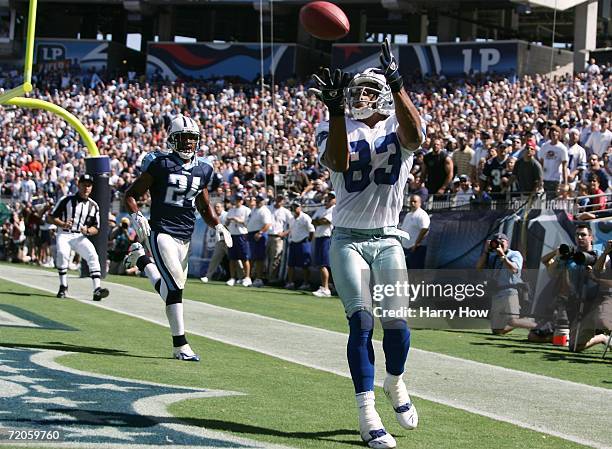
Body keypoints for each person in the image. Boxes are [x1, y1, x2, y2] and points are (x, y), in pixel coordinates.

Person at [313, 38, 422, 448]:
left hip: (389, 238)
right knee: (361, 321)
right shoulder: (333, 122)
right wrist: (336, 109)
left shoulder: (400, 121)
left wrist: (396, 83)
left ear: (385, 97)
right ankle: (367, 411)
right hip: (348, 240)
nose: (358, 95)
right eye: (354, 90)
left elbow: (416, 139)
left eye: (366, 91)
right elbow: (338, 162)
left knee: (396, 323)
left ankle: (394, 382)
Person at [124, 114, 232, 362]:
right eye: (183, 138)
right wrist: (137, 215)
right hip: (160, 231)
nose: (188, 144)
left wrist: (218, 225)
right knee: (174, 288)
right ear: (172, 139)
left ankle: (142, 261)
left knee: (172, 289)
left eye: (192, 139)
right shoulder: (159, 163)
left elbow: (204, 206)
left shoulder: (204, 168)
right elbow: (131, 194)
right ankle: (180, 345)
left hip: (185, 234)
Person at [541, 226, 607, 352]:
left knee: (602, 322)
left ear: (591, 237)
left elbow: (604, 272)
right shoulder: (570, 256)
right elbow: (551, 272)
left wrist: (594, 271)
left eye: (583, 235)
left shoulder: (599, 254)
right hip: (575, 304)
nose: (579, 238)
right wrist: (558, 254)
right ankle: (602, 338)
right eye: (577, 235)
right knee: (574, 346)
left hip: (595, 303)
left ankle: (602, 332)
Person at [48, 174, 109, 301]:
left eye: (89, 185)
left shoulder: (93, 206)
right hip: (64, 233)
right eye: (84, 185)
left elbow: (96, 228)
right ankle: (63, 285)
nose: (86, 188)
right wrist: (63, 224)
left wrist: (87, 230)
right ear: (78, 185)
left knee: (92, 255)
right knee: (63, 254)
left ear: (92, 188)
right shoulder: (66, 200)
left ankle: (97, 289)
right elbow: (51, 217)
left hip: (79, 236)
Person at [476, 233, 536, 334]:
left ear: (507, 243)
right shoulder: (493, 256)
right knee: (496, 330)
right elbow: (478, 268)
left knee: (513, 320)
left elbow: (514, 269)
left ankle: (537, 326)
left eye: (502, 241)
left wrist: (503, 256)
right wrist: (486, 252)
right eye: (496, 242)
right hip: (496, 293)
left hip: (510, 292)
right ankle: (526, 321)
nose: (499, 244)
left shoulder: (514, 254)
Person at [283, 201, 314, 290]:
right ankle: (290, 282)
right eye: (293, 207)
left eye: (296, 207)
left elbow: (311, 230)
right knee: (291, 264)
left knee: (305, 264)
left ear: (300, 207)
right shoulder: (292, 219)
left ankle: (306, 283)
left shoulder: (305, 217)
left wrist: (308, 241)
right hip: (293, 242)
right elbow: (291, 230)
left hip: (303, 242)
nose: (294, 209)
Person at [311, 192, 335, 297]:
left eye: (331, 198)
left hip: (327, 237)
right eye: (328, 197)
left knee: (323, 264)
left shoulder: (335, 209)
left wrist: (319, 221)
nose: (328, 199)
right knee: (321, 264)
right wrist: (319, 221)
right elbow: (313, 221)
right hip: (319, 237)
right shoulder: (321, 209)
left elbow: (326, 221)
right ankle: (326, 286)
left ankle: (326, 288)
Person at [225, 193, 252, 286]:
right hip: (232, 234)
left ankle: (247, 277)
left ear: (242, 200)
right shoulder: (231, 210)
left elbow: (248, 223)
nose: (238, 201)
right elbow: (226, 223)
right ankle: (232, 278)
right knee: (232, 258)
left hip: (242, 235)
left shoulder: (246, 210)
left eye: (239, 199)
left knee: (244, 258)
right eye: (236, 199)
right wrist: (228, 220)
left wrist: (239, 220)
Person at [246, 194, 272, 287]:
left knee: (259, 258)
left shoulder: (264, 210)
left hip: (259, 235)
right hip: (252, 234)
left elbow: (268, 224)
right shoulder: (254, 209)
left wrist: (260, 233)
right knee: (252, 257)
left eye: (260, 200)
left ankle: (259, 278)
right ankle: (251, 278)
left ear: (264, 201)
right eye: (257, 199)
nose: (258, 201)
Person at [266, 195, 292, 284]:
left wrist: (284, 233)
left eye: (281, 199)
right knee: (264, 258)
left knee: (276, 259)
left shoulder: (286, 212)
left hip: (277, 237)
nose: (279, 201)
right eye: (278, 199)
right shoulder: (268, 208)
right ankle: (261, 277)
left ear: (284, 201)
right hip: (266, 235)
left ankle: (271, 278)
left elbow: (293, 224)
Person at [200, 202, 229, 283]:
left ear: (222, 207)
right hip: (220, 241)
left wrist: (228, 240)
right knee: (215, 259)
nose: (217, 208)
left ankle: (241, 277)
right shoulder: (214, 216)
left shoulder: (227, 215)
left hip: (229, 241)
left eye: (218, 207)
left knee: (235, 260)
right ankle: (208, 276)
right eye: (215, 207)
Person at [399, 195, 430, 269]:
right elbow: (403, 229)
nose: (412, 203)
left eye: (415, 201)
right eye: (411, 201)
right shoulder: (408, 214)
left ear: (420, 203)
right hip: (406, 249)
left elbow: (425, 229)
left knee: (416, 273)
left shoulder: (422, 214)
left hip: (417, 249)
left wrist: (416, 244)